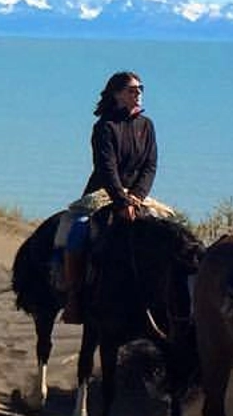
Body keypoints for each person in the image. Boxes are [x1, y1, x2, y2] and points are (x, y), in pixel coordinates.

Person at [59, 71, 159, 322]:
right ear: (117, 94)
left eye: (140, 89)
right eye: (132, 89)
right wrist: (121, 200)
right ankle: (73, 298)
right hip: (104, 192)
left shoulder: (146, 125)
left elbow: (150, 165)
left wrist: (136, 195)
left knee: (171, 227)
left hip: (137, 195)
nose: (138, 93)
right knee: (77, 230)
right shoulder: (104, 126)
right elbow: (106, 167)